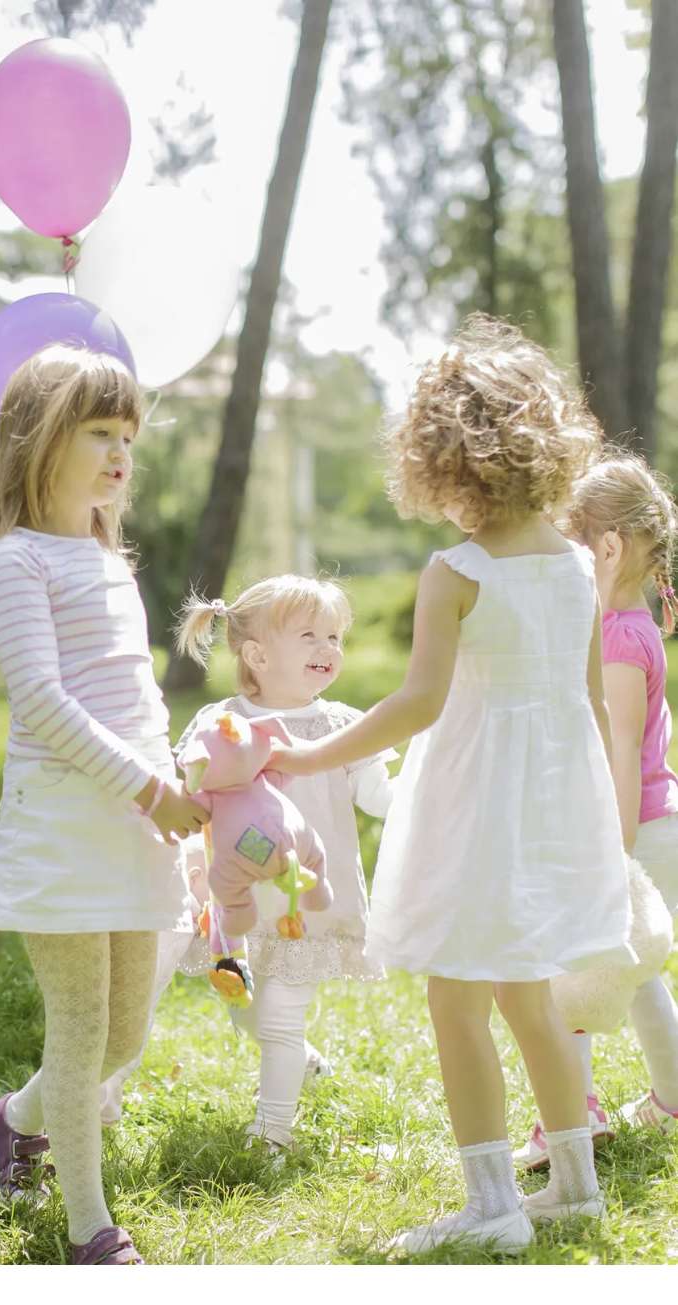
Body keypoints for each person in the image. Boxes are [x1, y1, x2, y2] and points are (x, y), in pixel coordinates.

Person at [271, 315, 633, 1253]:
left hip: (476, 800)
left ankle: (493, 1206)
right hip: (551, 797)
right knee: (531, 993)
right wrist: (597, 822)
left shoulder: (456, 571)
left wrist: (312, 753)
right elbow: (590, 703)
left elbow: (419, 703)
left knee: (458, 997)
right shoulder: (576, 565)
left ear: (443, 462)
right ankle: (578, 1188)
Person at [0, 344, 208, 1266]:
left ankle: (12, 1119)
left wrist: (180, 771)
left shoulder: (107, 555)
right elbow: (44, 702)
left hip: (136, 818)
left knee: (124, 1031)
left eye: (127, 436)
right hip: (66, 821)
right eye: (98, 431)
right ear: (39, 439)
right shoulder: (20, 561)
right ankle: (89, 1229)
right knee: (77, 1027)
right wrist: (148, 788)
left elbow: (131, 695)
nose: (118, 453)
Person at [101, 575, 395, 1150]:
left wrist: (436, 791)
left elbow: (379, 798)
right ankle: (300, 1059)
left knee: (282, 1016)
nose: (327, 649)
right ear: (257, 655)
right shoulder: (222, 725)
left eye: (334, 637)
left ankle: (271, 1135)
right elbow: (193, 801)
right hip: (234, 907)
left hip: (305, 903)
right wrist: (185, 861)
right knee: (248, 1011)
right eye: (309, 635)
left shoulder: (341, 726)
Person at [513, 453, 678, 1160]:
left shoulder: (615, 640)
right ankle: (672, 1100)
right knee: (635, 977)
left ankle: (569, 1119)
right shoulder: (637, 627)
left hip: (627, 833)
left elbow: (617, 754)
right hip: (656, 827)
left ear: (607, 549)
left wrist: (605, 854)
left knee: (568, 969)